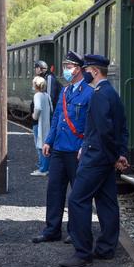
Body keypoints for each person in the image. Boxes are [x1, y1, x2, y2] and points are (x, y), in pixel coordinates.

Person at [59, 54, 129, 267]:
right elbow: (122, 127)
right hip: (105, 157)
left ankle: (82, 253)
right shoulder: (112, 93)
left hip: (96, 156)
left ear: (95, 71)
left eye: (86, 69)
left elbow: (104, 130)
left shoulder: (98, 95)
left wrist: (114, 156)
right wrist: (120, 153)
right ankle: (106, 248)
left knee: (77, 200)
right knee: (107, 202)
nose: (84, 72)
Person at [32, 51, 94, 245]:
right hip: (59, 148)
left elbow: (91, 124)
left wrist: (84, 146)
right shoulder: (66, 91)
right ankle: (52, 230)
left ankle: (76, 231)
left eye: (69, 67)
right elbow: (57, 117)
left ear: (79, 69)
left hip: (76, 150)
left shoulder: (90, 93)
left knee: (77, 194)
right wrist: (48, 141)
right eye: (65, 66)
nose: (66, 70)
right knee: (54, 191)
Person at [30, 76, 53, 176]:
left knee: (40, 146)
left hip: (38, 123)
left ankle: (43, 169)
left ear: (36, 85)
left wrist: (34, 116)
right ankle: (46, 167)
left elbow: (38, 108)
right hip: (47, 122)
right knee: (46, 145)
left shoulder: (37, 95)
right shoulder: (46, 95)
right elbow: (51, 109)